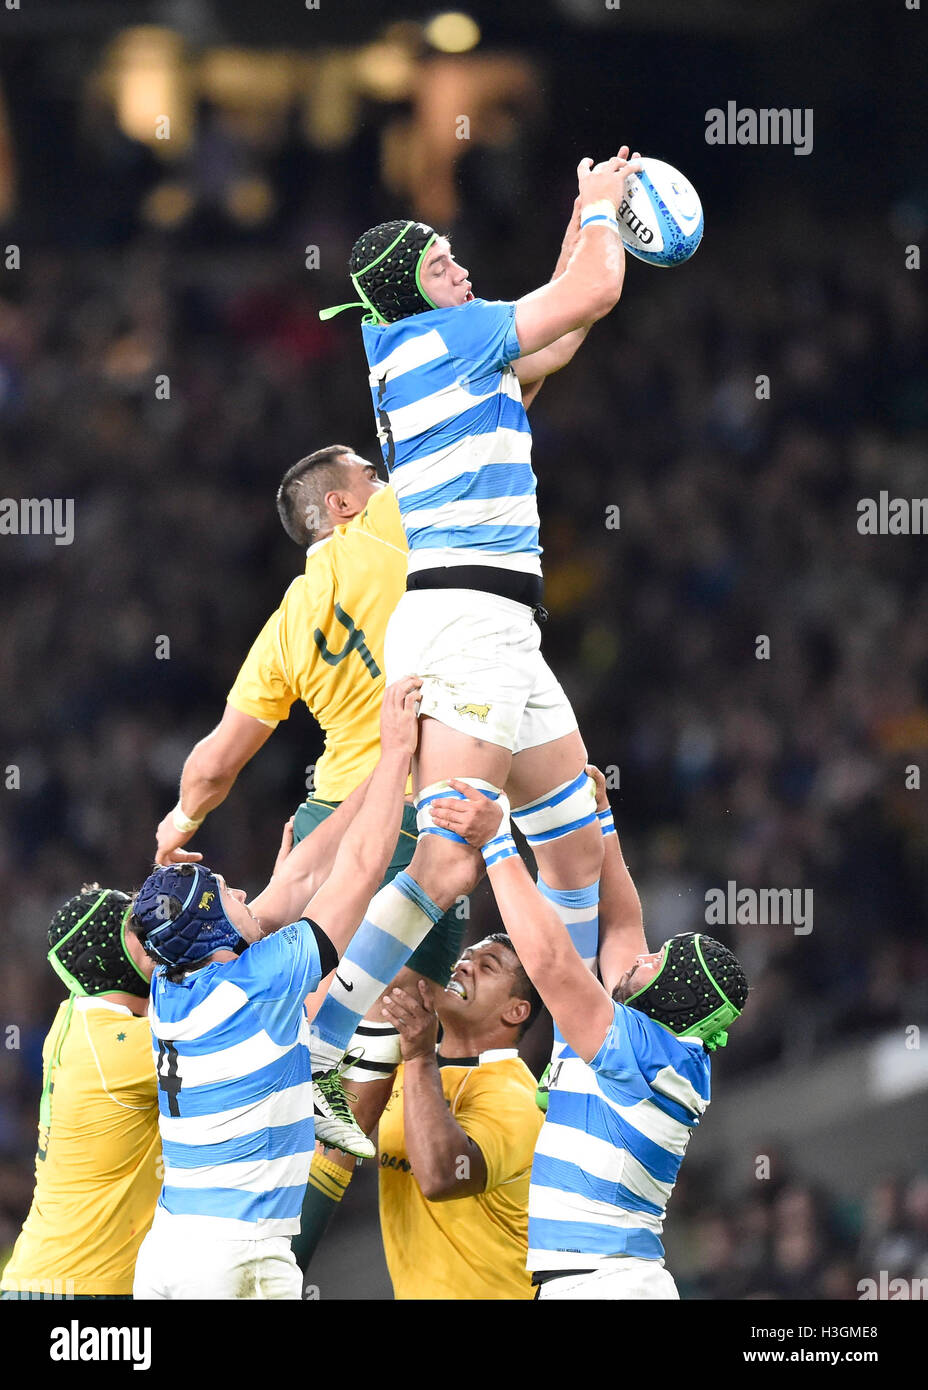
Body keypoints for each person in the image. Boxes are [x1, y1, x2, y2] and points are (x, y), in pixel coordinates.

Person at [309, 151, 643, 1148]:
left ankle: (567, 1059)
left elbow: (565, 327)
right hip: (468, 622)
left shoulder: (427, 349)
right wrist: (595, 208)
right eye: (447, 260)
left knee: (574, 842)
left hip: (496, 628)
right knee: (451, 864)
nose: (462, 270)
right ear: (418, 283)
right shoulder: (446, 335)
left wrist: (586, 236)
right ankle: (318, 1054)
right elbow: (594, 286)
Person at [129, 676, 420, 1300]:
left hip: (170, 1252)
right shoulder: (263, 980)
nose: (241, 890)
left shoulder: (175, 987)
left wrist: (385, 770)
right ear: (215, 931)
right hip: (238, 1258)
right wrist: (396, 754)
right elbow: (362, 869)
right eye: (228, 894)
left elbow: (297, 880)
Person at [429, 780, 750, 1300]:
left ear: (672, 995)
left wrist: (497, 843)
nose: (643, 958)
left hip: (603, 1285)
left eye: (656, 964)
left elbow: (552, 964)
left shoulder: (642, 1050)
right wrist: (605, 824)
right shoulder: (653, 1040)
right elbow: (623, 925)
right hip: (600, 1283)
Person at [1, 887, 160, 1300]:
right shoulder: (117, 1046)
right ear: (107, 955)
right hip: (77, 1288)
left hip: (59, 1280)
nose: (149, 928)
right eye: (132, 925)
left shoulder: (81, 1015)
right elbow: (250, 1016)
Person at [376, 934, 544, 1300]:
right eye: (464, 958)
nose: (464, 965)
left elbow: (442, 1177)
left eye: (487, 967)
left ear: (516, 1011)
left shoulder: (515, 1096)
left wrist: (419, 1057)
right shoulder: (406, 1063)